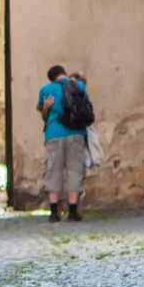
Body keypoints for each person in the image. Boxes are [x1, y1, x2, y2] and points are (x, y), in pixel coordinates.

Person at [37, 63, 89, 222]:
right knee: (74, 170)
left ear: (51, 78)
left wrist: (46, 108)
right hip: (76, 133)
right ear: (65, 73)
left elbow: (43, 114)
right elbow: (85, 107)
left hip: (54, 134)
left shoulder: (46, 89)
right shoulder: (79, 86)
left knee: (54, 169)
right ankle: (73, 211)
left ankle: (54, 212)